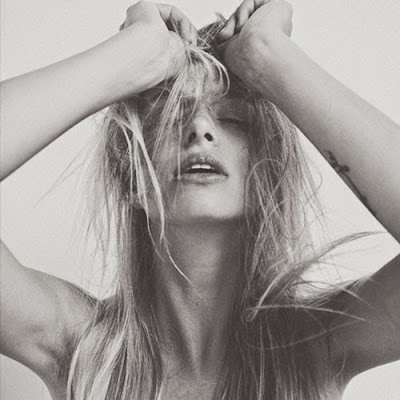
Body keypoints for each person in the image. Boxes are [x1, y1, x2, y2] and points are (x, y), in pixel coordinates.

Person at [1, 0, 399, 399]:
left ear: (268, 173)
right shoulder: (78, 344)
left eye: (233, 118)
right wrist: (133, 55)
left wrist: (268, 57)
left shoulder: (321, 346)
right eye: (172, 117)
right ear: (131, 177)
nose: (200, 129)